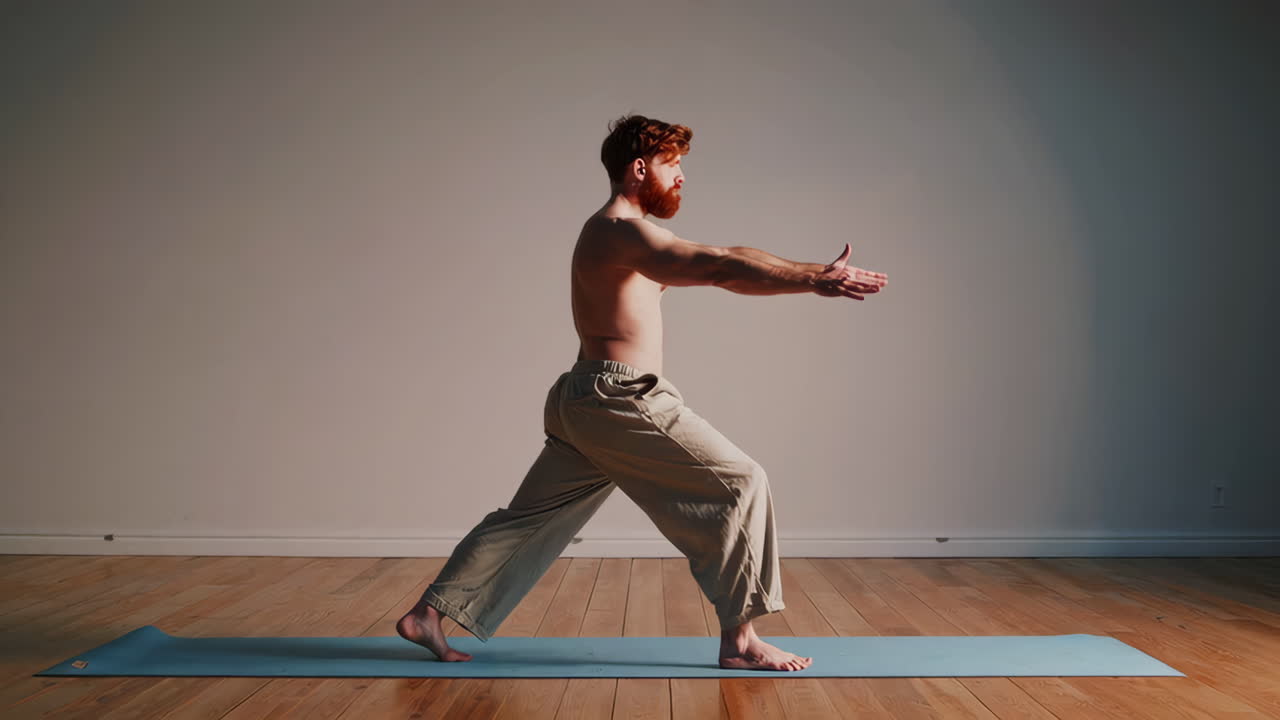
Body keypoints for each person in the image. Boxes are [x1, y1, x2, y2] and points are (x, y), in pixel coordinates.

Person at [397, 114, 887, 671]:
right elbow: (721, 264)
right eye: (671, 164)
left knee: (527, 520)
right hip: (616, 397)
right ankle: (741, 642)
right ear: (638, 169)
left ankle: (427, 616)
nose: (681, 177)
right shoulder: (621, 231)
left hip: (583, 399)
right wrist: (810, 275)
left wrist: (804, 277)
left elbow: (725, 264)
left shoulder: (616, 234)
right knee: (741, 483)